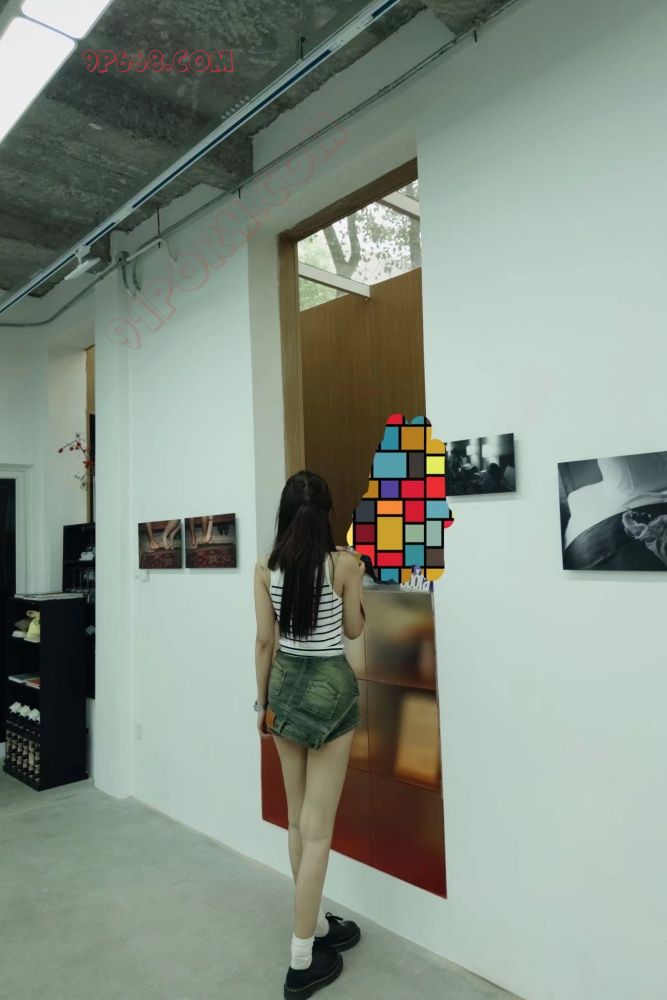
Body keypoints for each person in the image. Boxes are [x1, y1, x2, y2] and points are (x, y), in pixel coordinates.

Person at [253, 470, 366, 999]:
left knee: (298, 821)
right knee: (319, 831)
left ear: (284, 513)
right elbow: (353, 630)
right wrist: (355, 581)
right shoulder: (344, 564)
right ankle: (302, 960)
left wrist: (263, 705)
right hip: (328, 688)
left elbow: (264, 641)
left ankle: (316, 924)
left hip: (283, 686)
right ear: (326, 514)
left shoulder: (265, 567)